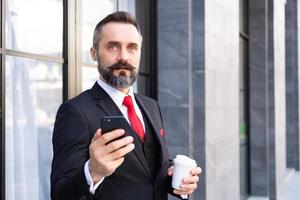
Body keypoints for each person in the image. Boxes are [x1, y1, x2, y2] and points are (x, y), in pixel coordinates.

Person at [50, 11, 201, 200]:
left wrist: (177, 180)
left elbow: (148, 170)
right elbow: (59, 193)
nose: (123, 57)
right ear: (94, 53)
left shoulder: (151, 106)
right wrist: (92, 172)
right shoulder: (75, 112)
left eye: (132, 48)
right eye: (112, 47)